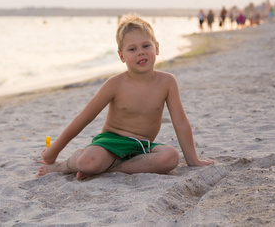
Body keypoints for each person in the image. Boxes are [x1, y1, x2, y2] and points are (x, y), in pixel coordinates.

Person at [38, 14, 214, 180]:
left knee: (171, 157)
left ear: (157, 48)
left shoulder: (167, 82)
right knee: (87, 162)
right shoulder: (115, 84)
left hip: (142, 147)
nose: (141, 52)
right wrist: (53, 152)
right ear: (121, 56)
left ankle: (111, 169)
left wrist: (193, 160)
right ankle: (65, 166)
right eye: (132, 49)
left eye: (146, 46)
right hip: (110, 143)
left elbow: (180, 122)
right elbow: (83, 118)